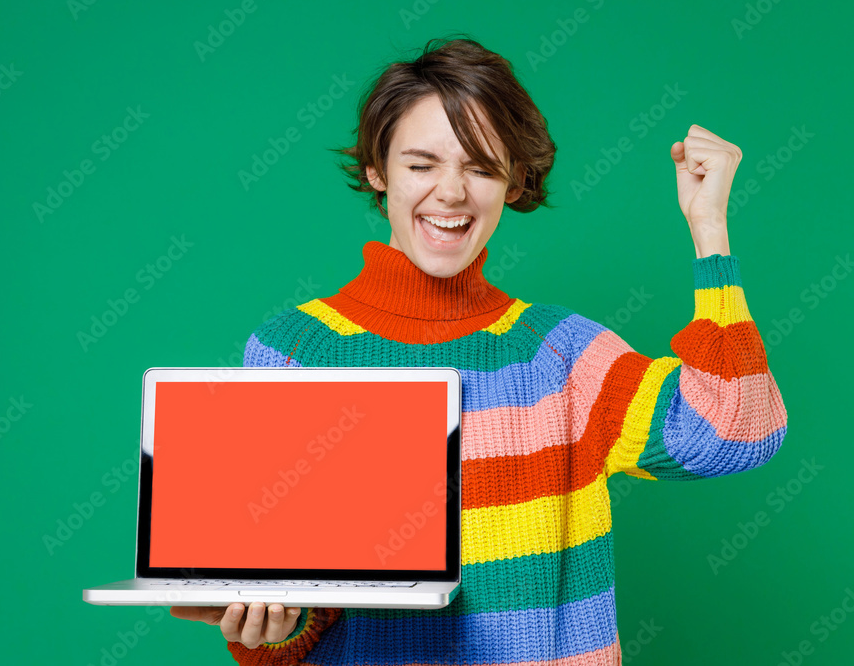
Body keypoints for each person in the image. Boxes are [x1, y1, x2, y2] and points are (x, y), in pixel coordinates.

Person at [171, 35, 788, 664]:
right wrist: (273, 628)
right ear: (376, 170)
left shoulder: (564, 355)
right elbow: (295, 605)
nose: (451, 192)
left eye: (481, 166)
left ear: (514, 181)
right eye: (421, 164)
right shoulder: (294, 352)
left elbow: (737, 432)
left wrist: (710, 229)